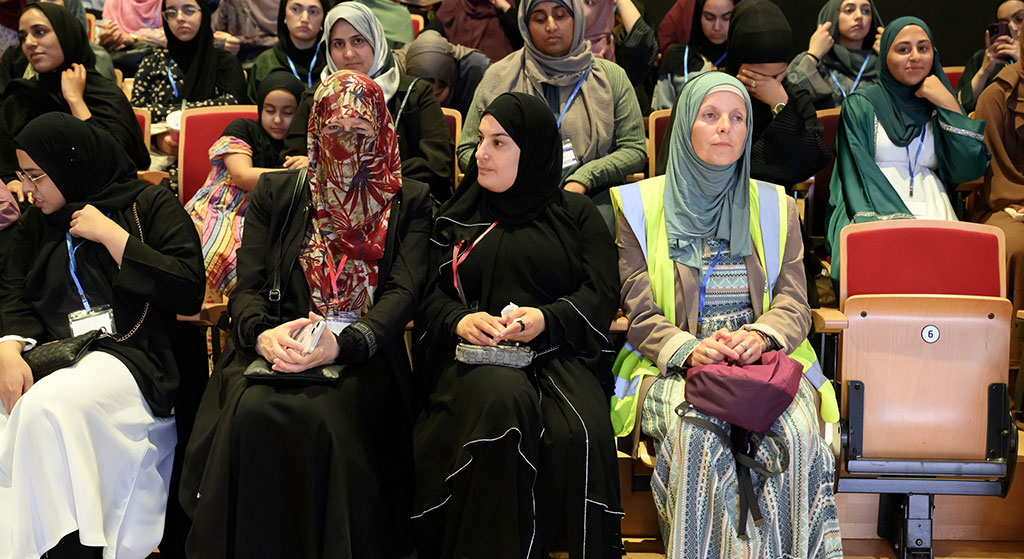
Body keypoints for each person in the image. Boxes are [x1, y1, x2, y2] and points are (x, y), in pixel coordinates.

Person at [181, 70, 432, 559]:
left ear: (381, 131)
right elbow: (247, 287)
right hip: (279, 345)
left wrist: (345, 342)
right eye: (334, 131)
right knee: (255, 411)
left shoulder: (409, 199)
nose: (346, 145)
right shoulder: (280, 193)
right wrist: (262, 337)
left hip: (364, 352)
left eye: (360, 133)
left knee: (323, 419)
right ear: (316, 130)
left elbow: (404, 292)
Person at [613, 71, 842, 559]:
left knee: (798, 438)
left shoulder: (776, 204)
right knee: (701, 440)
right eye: (711, 116)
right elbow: (639, 310)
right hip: (673, 364)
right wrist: (691, 349)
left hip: (764, 362)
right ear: (685, 128)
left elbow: (795, 299)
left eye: (738, 118)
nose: (726, 128)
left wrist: (761, 335)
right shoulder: (637, 205)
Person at [413, 91, 622, 559]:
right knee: (502, 405)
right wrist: (461, 321)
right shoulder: (455, 217)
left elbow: (601, 293)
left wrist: (546, 318)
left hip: (556, 356)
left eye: (499, 142)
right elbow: (426, 294)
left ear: (533, 150)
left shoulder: (577, 216)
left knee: (575, 435)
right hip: (472, 363)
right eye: (481, 139)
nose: (480, 153)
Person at [0, 112, 204, 559]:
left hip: (135, 356)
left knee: (46, 407)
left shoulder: (147, 204)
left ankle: (69, 546)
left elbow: (189, 288)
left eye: (35, 176)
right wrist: (9, 349)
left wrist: (115, 238)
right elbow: (13, 292)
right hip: (61, 357)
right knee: (17, 404)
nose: (27, 190)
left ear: (69, 164)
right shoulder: (39, 222)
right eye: (21, 177)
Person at [826, 17, 990, 285]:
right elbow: (857, 172)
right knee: (891, 264)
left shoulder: (937, 102)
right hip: (869, 203)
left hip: (933, 204)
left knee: (950, 277)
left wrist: (948, 104)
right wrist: (903, 224)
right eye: (903, 49)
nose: (915, 57)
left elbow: (968, 169)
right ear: (885, 55)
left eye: (923, 48)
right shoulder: (861, 104)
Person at [458, 0, 646, 228]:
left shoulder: (610, 77)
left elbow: (634, 149)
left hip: (588, 200)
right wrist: (512, 175)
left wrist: (586, 177)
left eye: (560, 16)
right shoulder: (498, 77)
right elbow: (467, 150)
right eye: (539, 18)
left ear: (577, 19)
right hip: (511, 203)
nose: (551, 26)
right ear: (525, 25)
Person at [283, 2, 453, 202]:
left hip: (401, 208)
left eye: (358, 41)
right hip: (329, 210)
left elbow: (437, 164)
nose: (349, 54)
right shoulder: (316, 98)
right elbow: (291, 162)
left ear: (376, 41)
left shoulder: (413, 93)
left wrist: (342, 171)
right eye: (338, 44)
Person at [656, 0, 830, 189]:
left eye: (775, 76)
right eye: (755, 76)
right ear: (737, 63)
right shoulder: (706, 92)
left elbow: (813, 159)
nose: (765, 85)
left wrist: (780, 105)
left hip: (770, 209)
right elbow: (674, 165)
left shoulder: (792, 97)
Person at [1, 3, 149, 202]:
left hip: (101, 203)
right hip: (34, 206)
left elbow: (119, 163)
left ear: (66, 34)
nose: (29, 42)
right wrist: (11, 179)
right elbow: (5, 154)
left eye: (40, 32)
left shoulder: (102, 94)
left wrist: (75, 100)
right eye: (23, 37)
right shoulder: (23, 95)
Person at [186, 71, 304, 300]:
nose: (278, 120)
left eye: (288, 113)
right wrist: (296, 173)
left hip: (266, 220)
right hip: (221, 208)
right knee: (215, 249)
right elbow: (242, 176)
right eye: (270, 111)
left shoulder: (301, 145)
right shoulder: (244, 128)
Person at [132, 0, 246, 163]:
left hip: (215, 155)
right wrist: (159, 137)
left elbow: (232, 106)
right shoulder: (152, 63)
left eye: (189, 11)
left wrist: (175, 117)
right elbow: (137, 112)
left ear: (204, 14)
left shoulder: (225, 63)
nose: (179, 18)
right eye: (171, 13)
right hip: (161, 155)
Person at [972, 44, 1024, 369]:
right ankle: (1013, 371)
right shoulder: (998, 95)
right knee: (1019, 247)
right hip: (1007, 202)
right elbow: (992, 172)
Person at [786, 0, 884, 110]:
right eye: (849, 10)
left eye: (865, 11)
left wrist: (889, 58)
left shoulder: (880, 62)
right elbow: (786, 98)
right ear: (833, 15)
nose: (859, 16)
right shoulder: (817, 61)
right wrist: (813, 55)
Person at [652, 0, 734, 111]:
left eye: (726, 18)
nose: (717, 27)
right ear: (698, 16)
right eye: (709, 18)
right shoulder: (678, 58)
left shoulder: (745, 59)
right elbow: (661, 117)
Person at [246, 0, 330, 102]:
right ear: (284, 15)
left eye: (313, 12)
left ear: (323, 19)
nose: (304, 19)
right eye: (296, 9)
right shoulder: (265, 62)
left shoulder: (331, 61)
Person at [394, 29, 491, 117]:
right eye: (423, 95)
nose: (430, 103)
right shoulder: (393, 70)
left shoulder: (476, 70)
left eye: (437, 95)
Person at [955, 0, 1024, 114]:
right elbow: (958, 104)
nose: (1013, 28)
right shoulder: (982, 58)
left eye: (1020, 19)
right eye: (1004, 24)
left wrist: (1021, 60)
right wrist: (984, 71)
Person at [432, 0, 522, 63]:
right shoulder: (452, 6)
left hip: (503, 78)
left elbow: (525, 39)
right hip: (463, 80)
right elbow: (428, 37)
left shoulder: (509, 4)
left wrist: (506, 8)